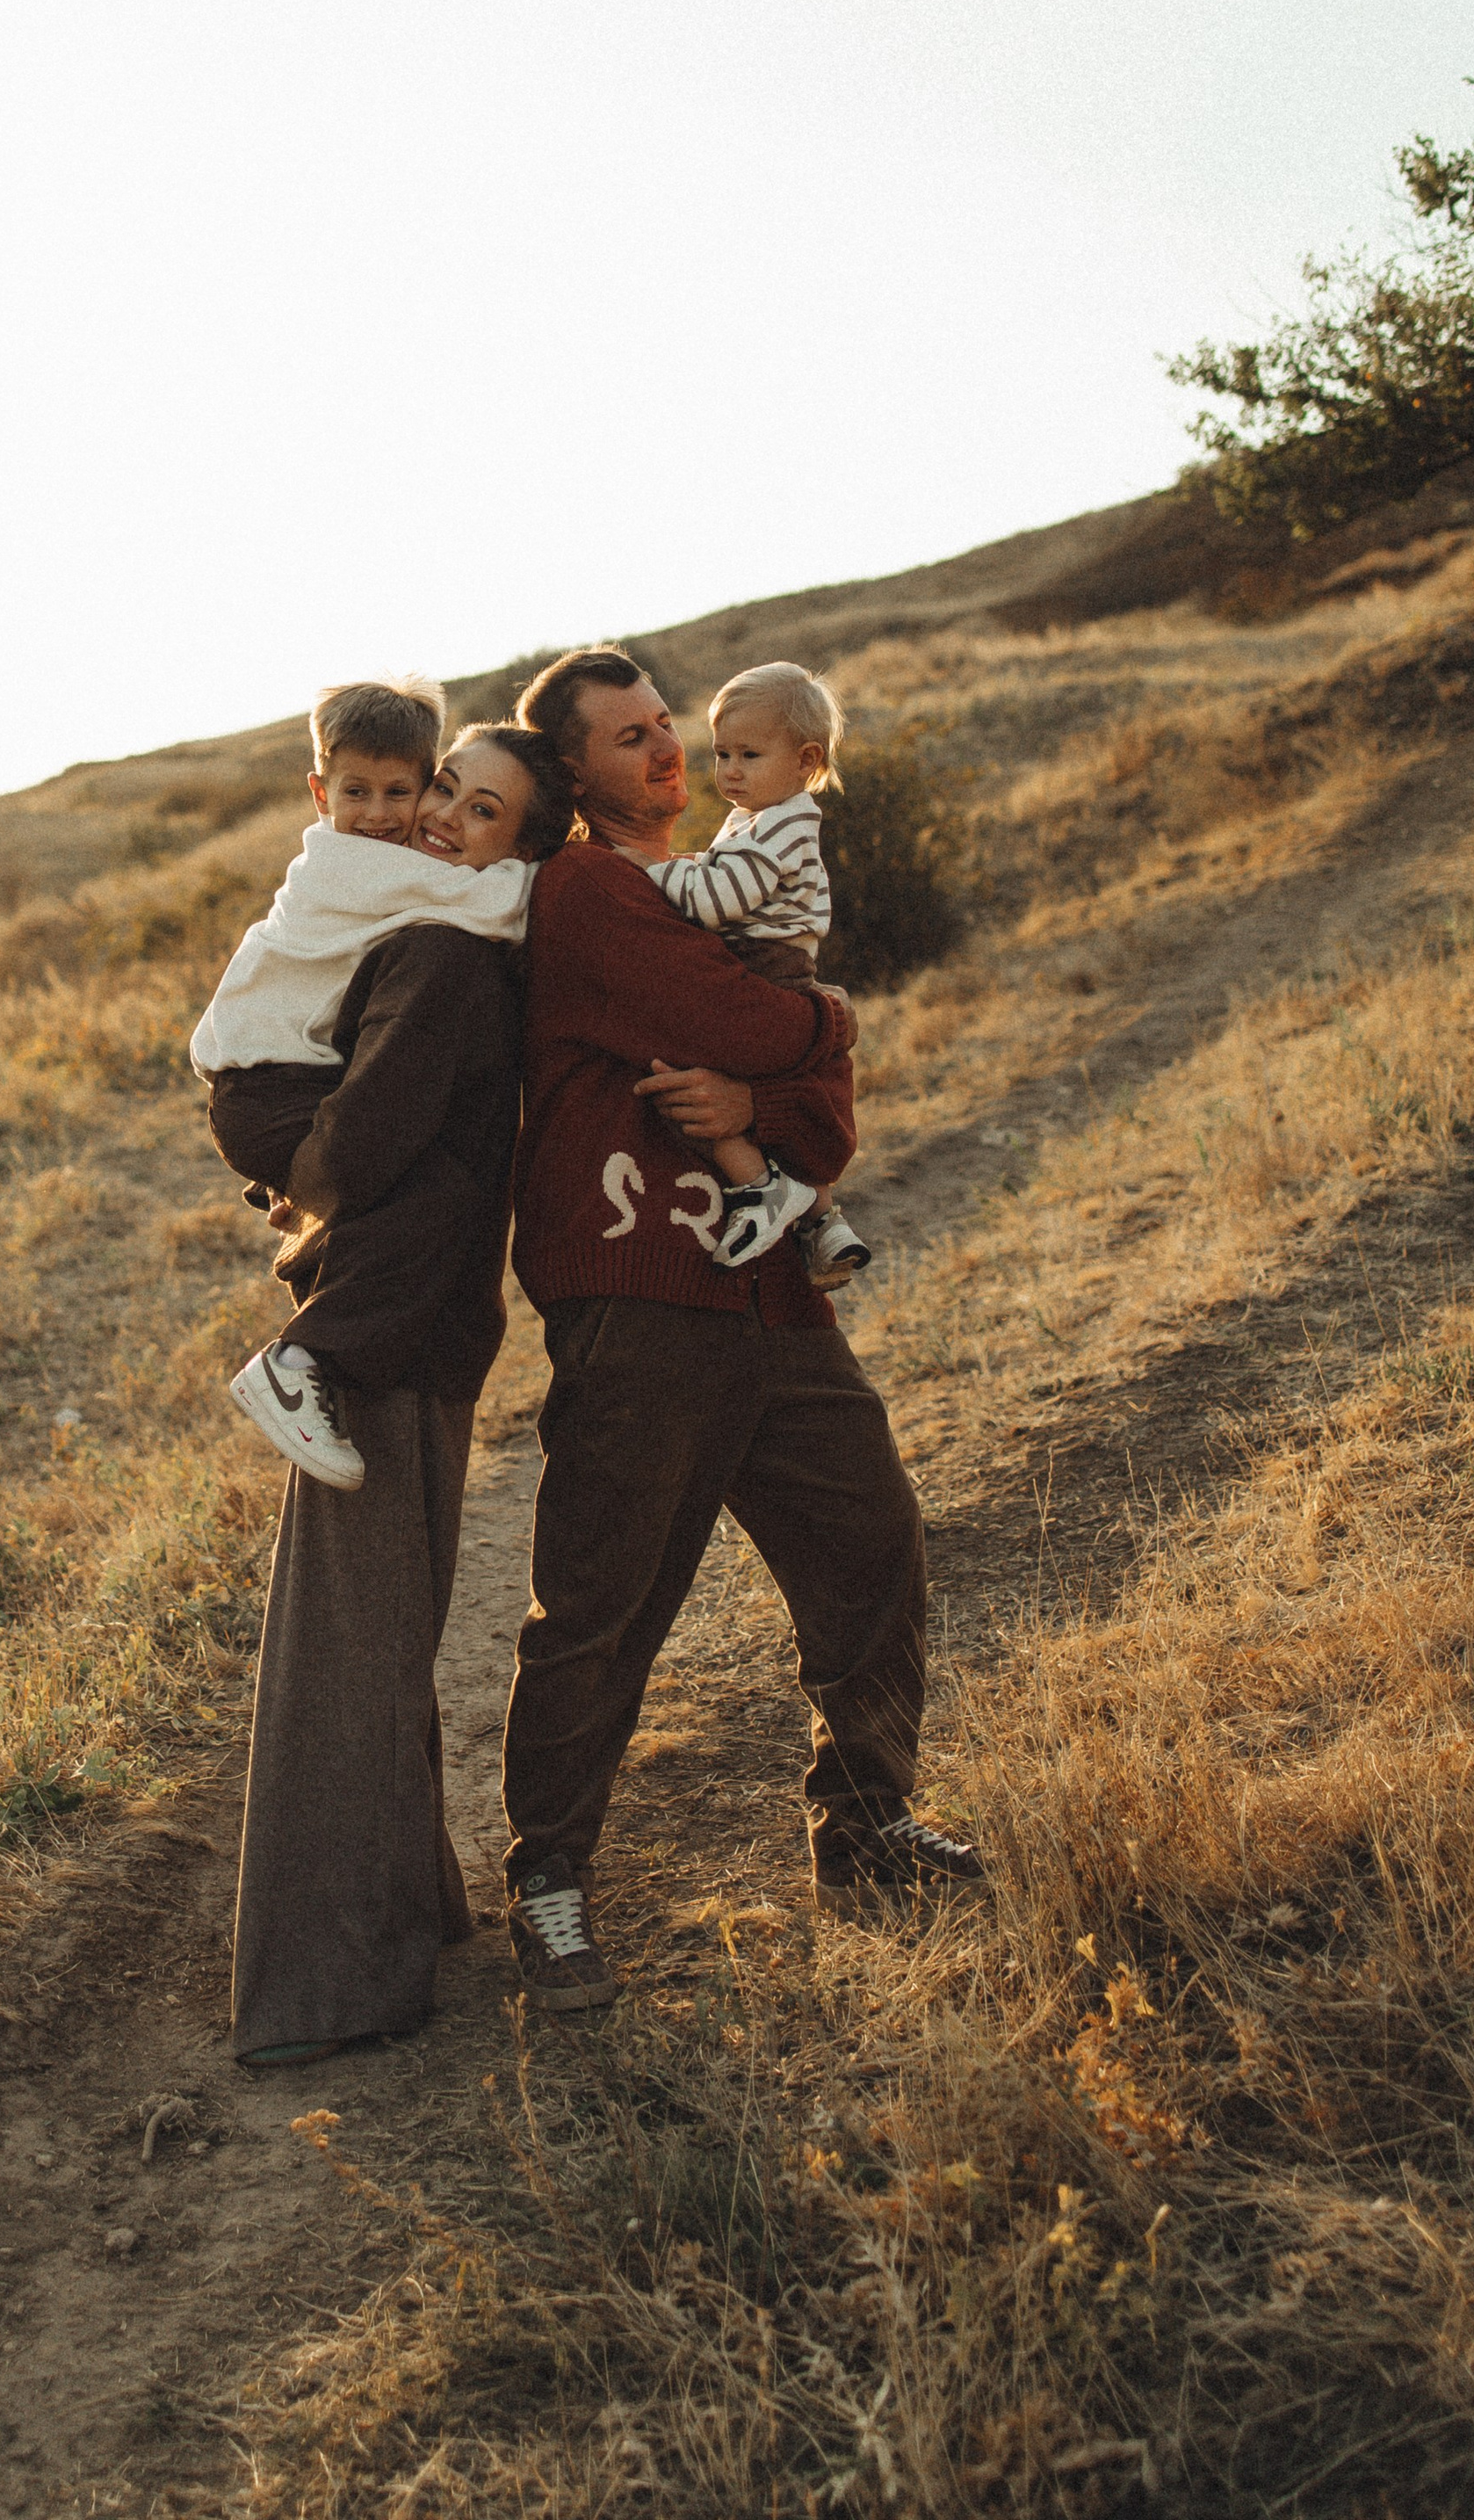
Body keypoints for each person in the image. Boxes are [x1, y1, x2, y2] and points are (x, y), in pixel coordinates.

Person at [497, 648, 979, 2012]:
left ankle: (868, 1830)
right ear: (571, 772)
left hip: (772, 1293)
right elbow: (736, 1018)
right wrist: (823, 1018)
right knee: (604, 1601)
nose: (665, 749)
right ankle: (548, 1884)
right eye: (629, 737)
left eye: (667, 723)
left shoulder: (724, 879)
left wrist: (765, 1099)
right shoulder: (587, 891)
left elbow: (823, 1122)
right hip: (640, 1294)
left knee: (871, 1546)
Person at [226, 721, 579, 2067]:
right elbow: (358, 1141)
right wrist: (307, 1189)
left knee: (384, 1647)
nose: (436, 817)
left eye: (477, 809)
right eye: (444, 788)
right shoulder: (437, 946)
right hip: (371, 1343)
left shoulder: (453, 942)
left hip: (418, 1331)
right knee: (356, 1658)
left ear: (517, 848)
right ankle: (326, 1989)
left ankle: (408, 1916)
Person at [191, 677, 533, 1488]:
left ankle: (314, 1346)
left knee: (414, 1195)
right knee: (428, 1197)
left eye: (399, 792)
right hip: (269, 1090)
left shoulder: (378, 865)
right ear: (320, 794)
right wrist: (562, 871)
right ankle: (299, 1362)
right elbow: (497, 906)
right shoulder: (351, 866)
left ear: (424, 785)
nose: (378, 814)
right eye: (356, 792)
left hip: (286, 1083)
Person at [648, 659, 871, 1288]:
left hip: (767, 963)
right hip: (773, 959)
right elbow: (723, 874)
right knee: (782, 1077)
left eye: (749, 755)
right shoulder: (757, 818)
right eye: (722, 754)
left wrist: (650, 869)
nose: (730, 770)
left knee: (689, 1073)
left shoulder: (785, 823)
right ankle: (824, 1220)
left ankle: (760, 1185)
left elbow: (717, 900)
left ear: (805, 760)